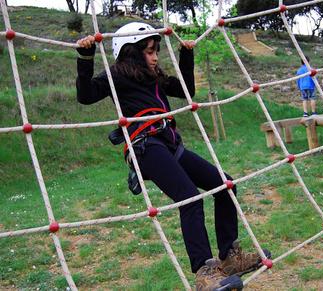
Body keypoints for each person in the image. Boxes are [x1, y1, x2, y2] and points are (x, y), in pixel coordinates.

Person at [75, 22, 269, 290]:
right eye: (150, 51)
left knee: (226, 184)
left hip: (169, 145)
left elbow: (188, 91)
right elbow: (85, 95)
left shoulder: (157, 78)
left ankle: (230, 257)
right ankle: (205, 272)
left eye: (156, 51)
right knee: (190, 198)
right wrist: (86, 57)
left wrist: (185, 55)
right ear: (131, 52)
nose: (155, 57)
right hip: (145, 147)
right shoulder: (117, 76)